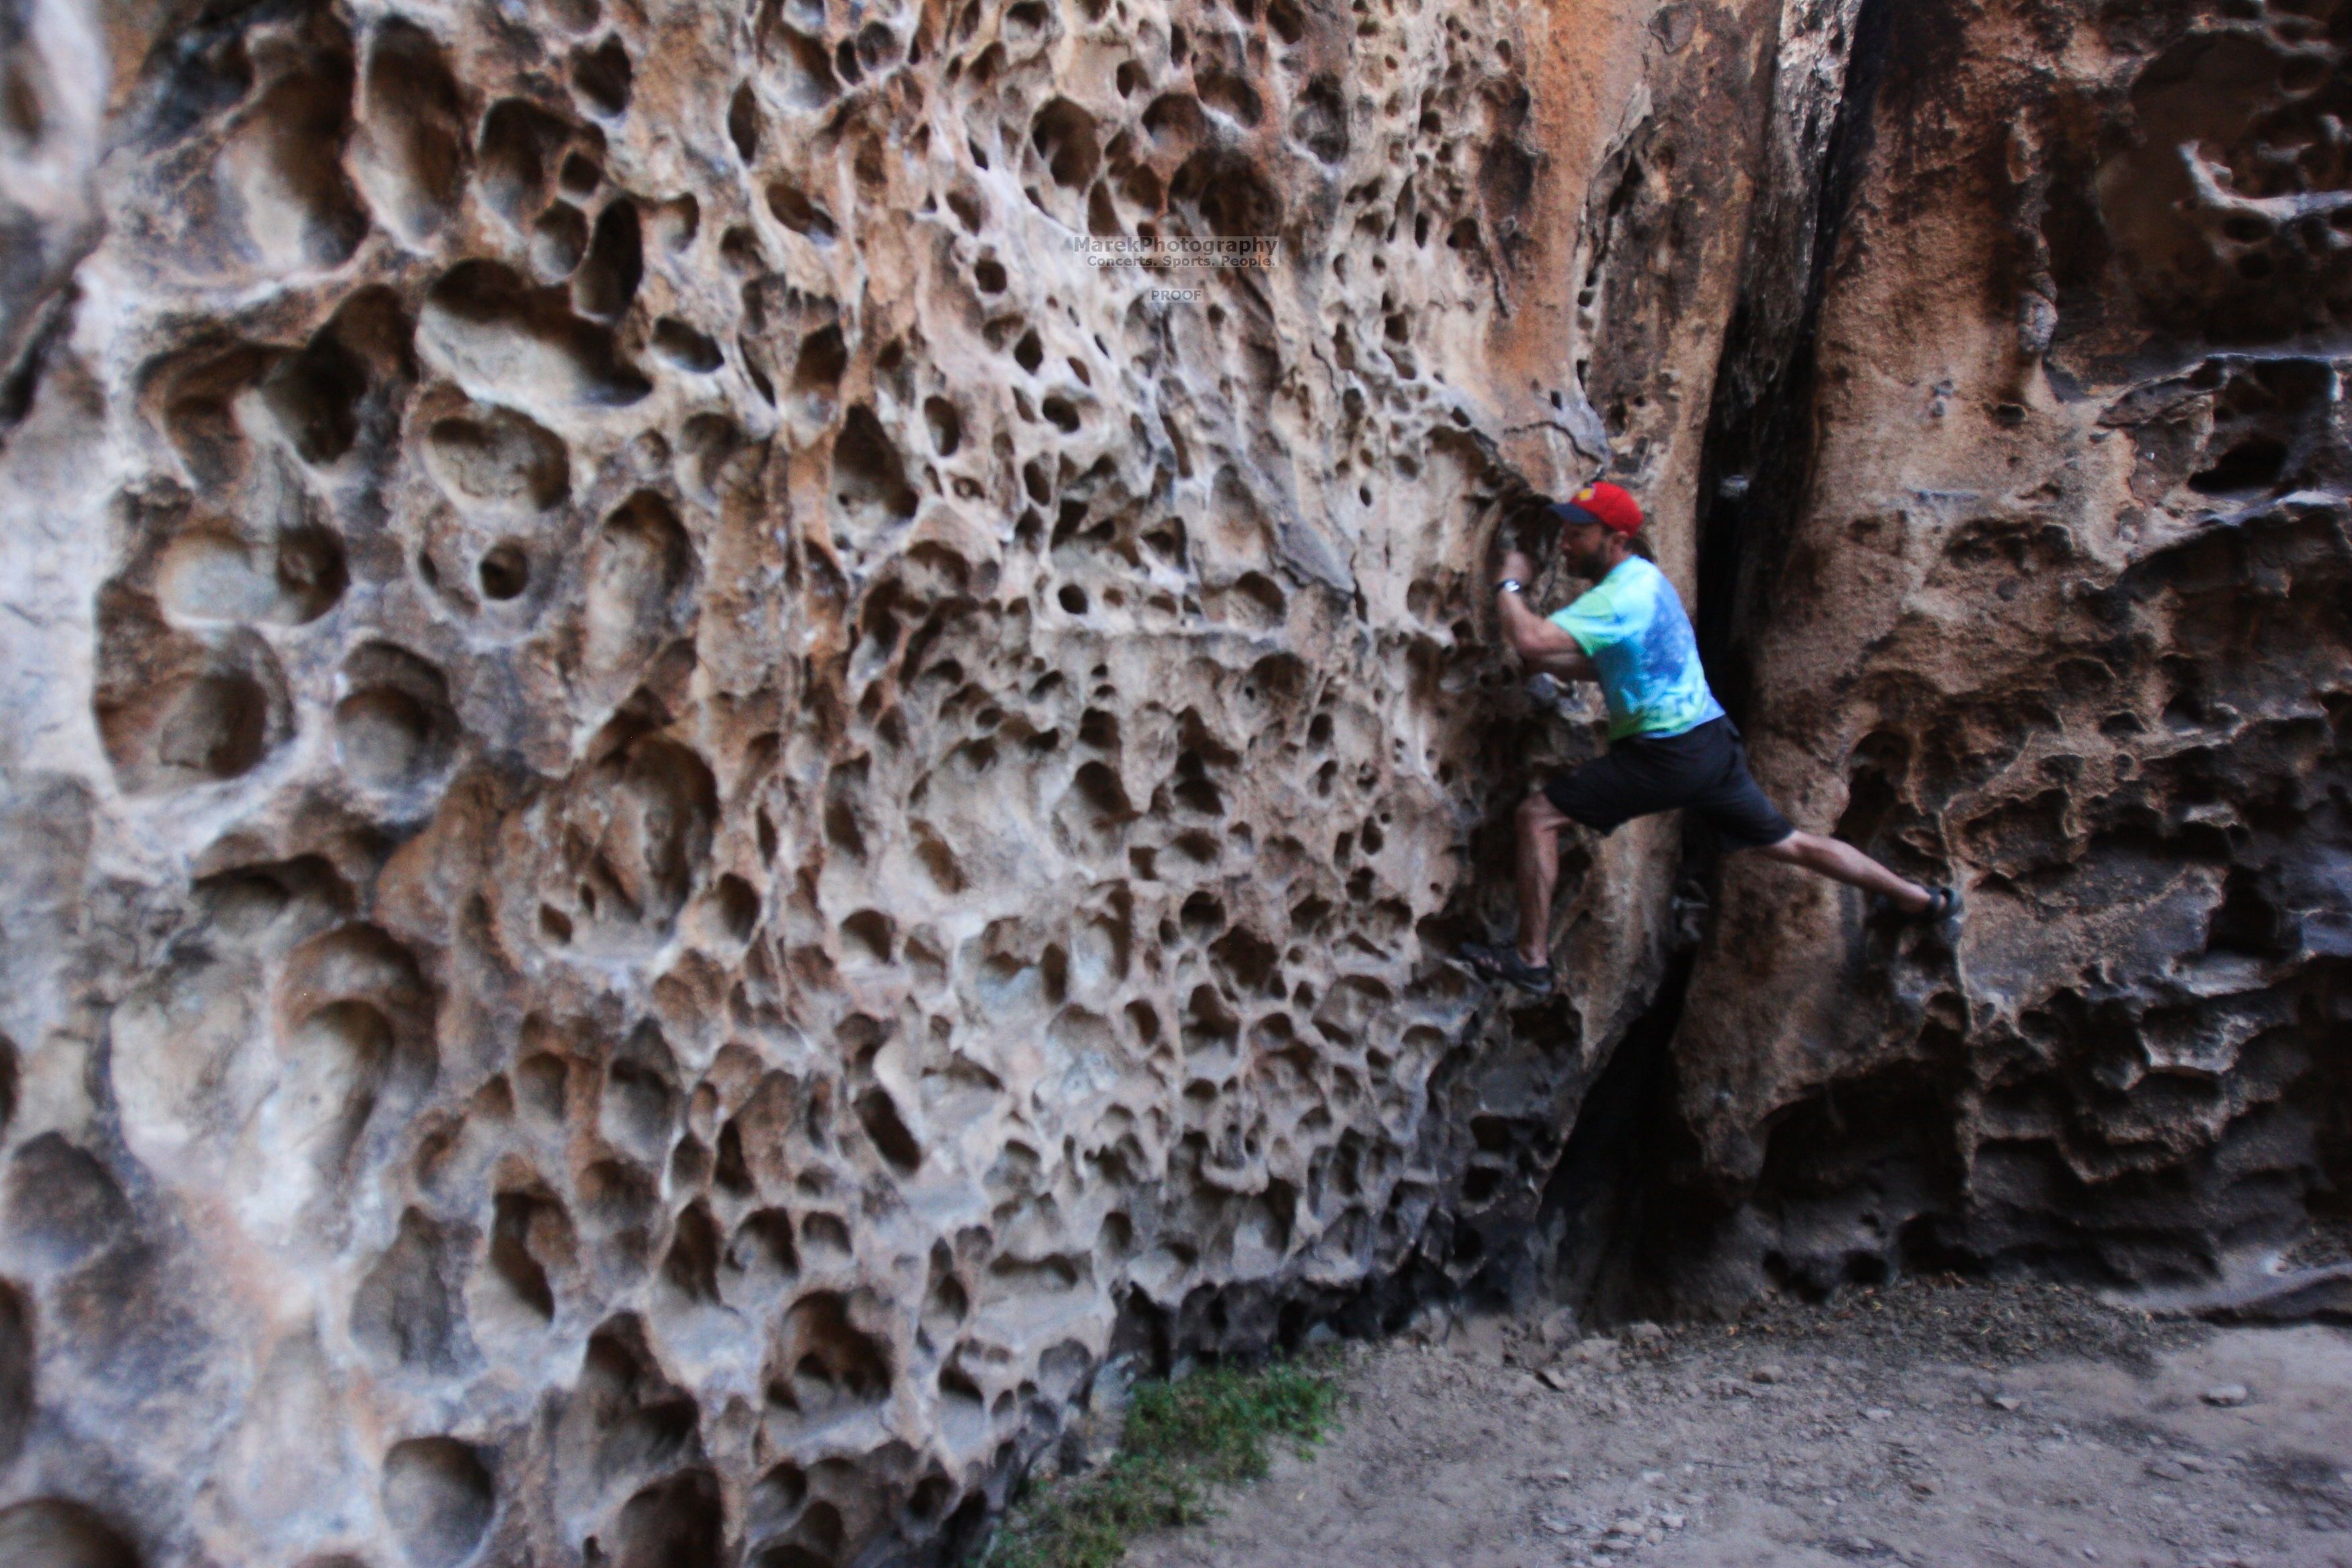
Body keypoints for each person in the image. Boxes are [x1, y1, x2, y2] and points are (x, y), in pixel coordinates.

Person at [1458, 480, 1961, 996]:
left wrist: (1510, 585)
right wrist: (1540, 660)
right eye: (1565, 531)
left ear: (1617, 539)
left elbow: (1531, 638)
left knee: (1537, 817)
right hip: (1711, 743)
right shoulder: (1646, 581)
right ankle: (1920, 900)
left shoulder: (1619, 597)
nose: (1565, 543)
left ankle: (1531, 960)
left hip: (1667, 754)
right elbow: (1599, 662)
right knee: (1791, 843)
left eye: (1578, 534)